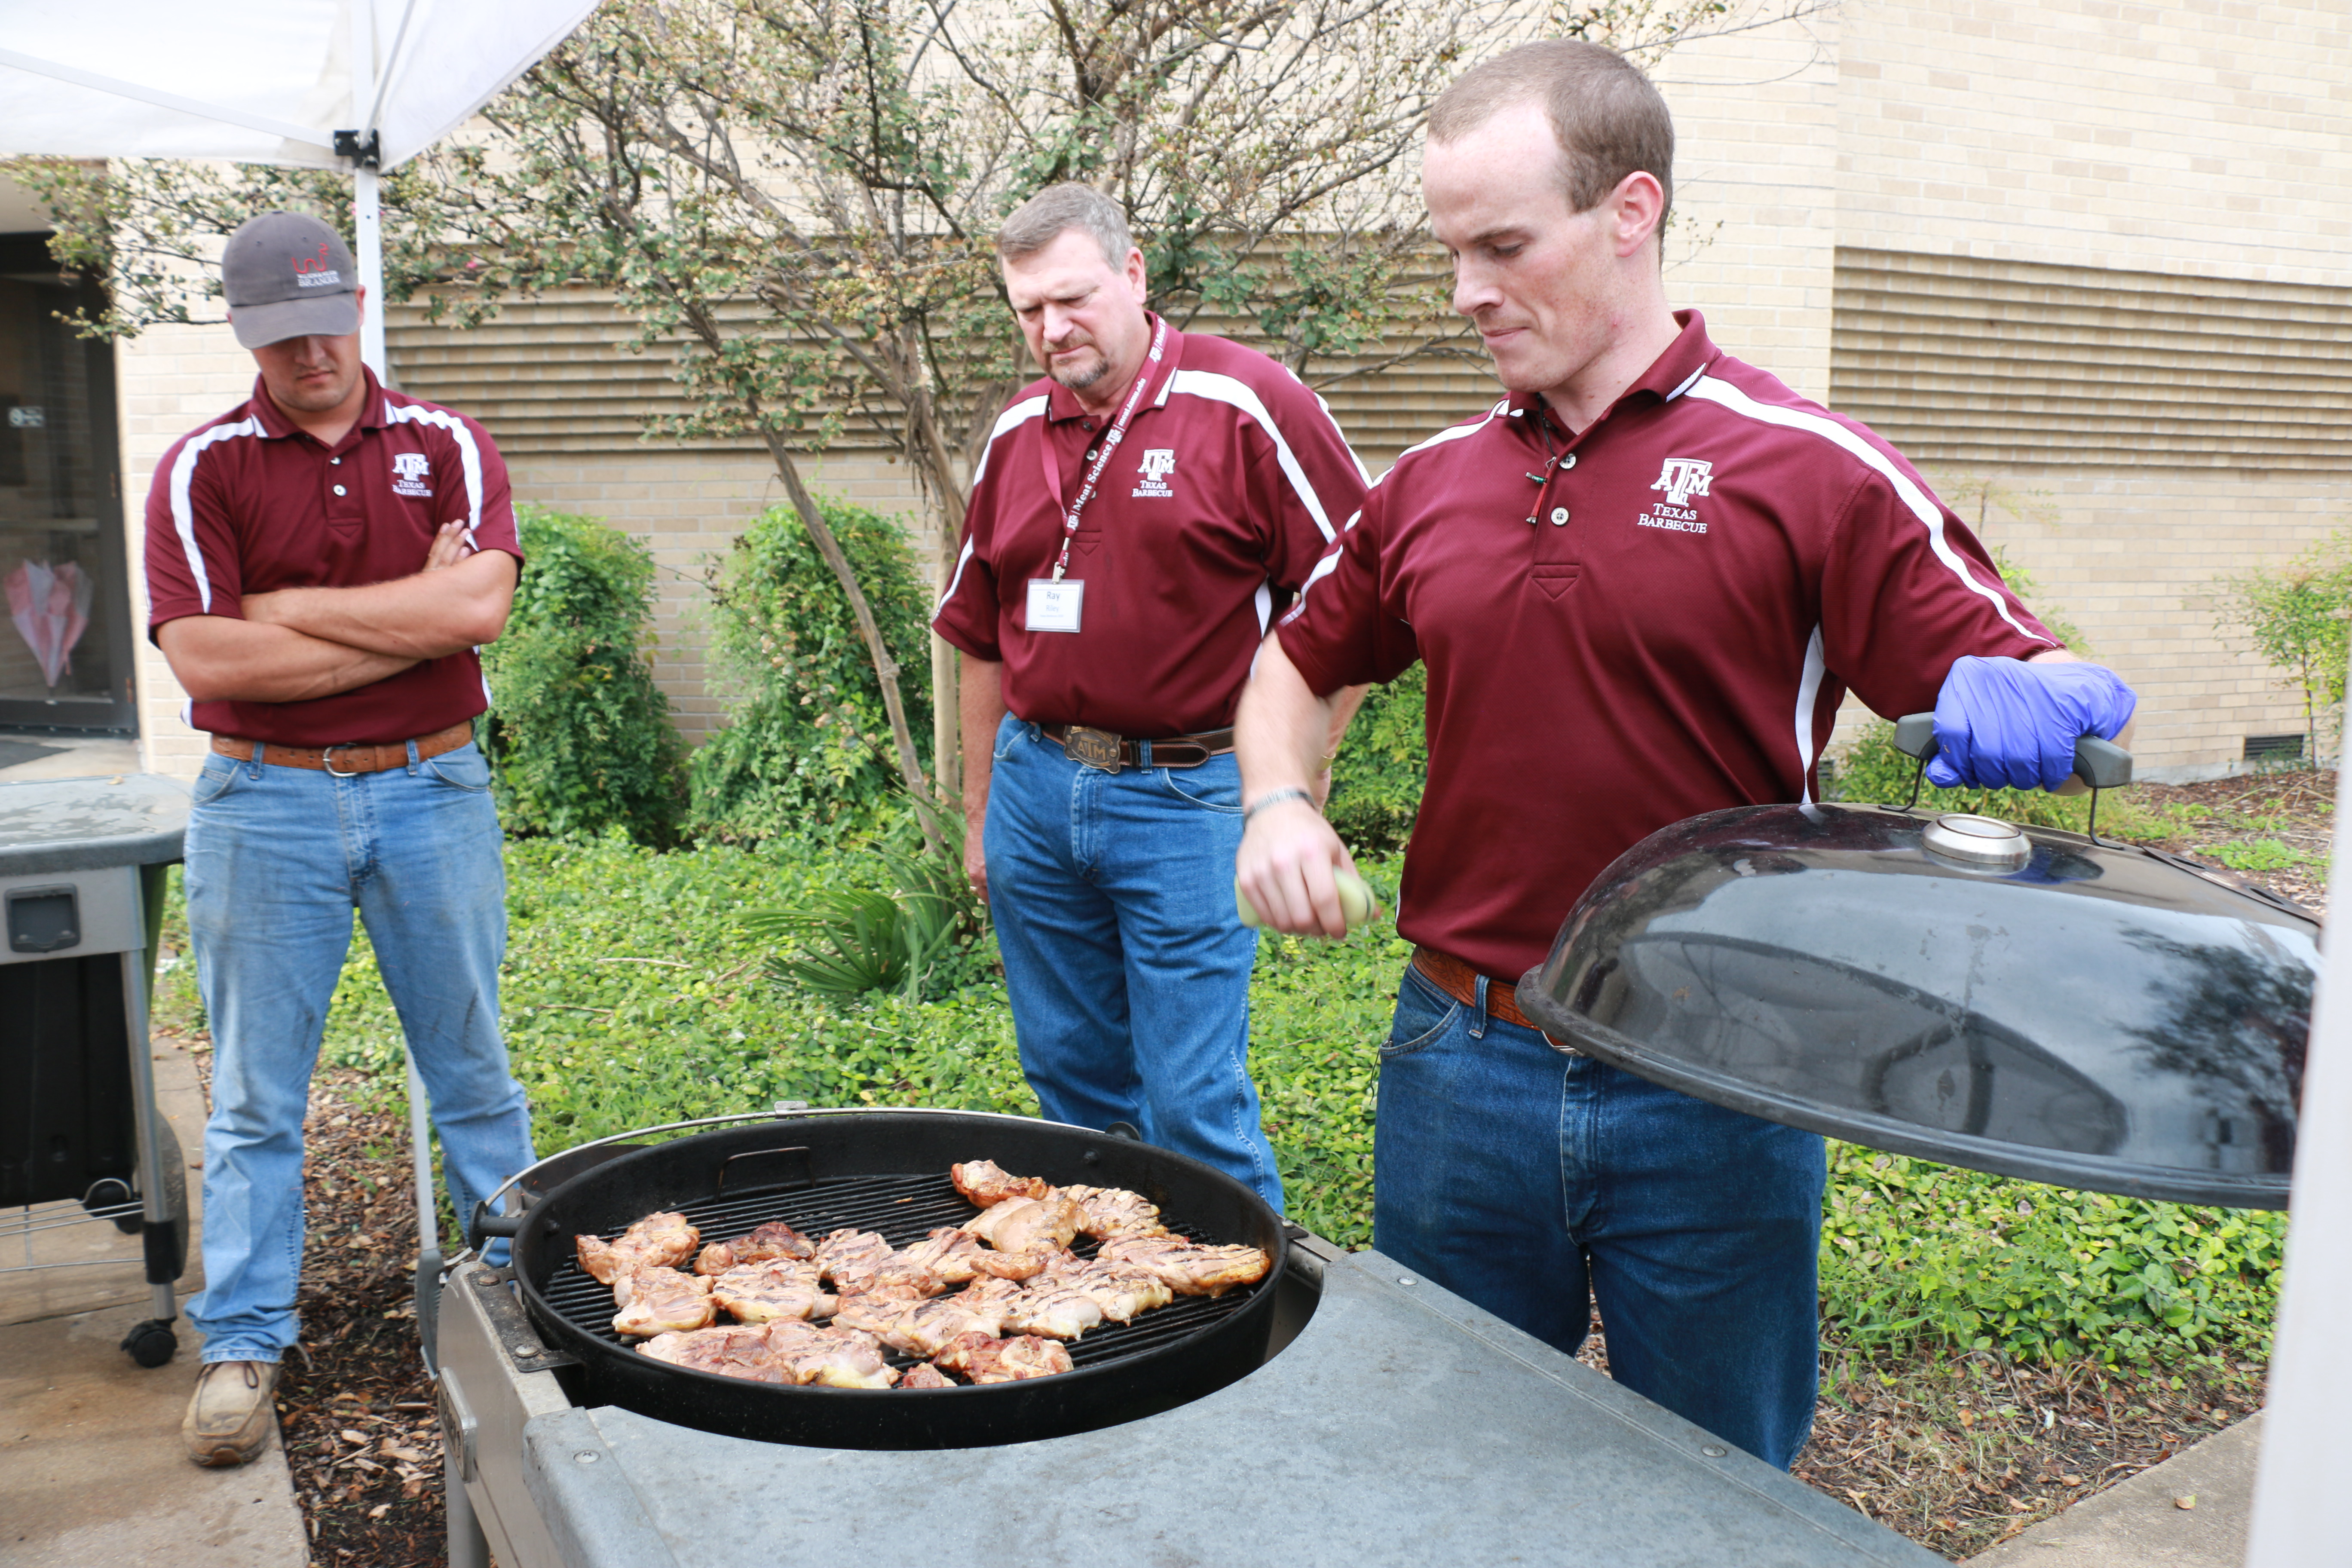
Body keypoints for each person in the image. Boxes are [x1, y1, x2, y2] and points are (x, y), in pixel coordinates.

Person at [1232, 42, 2135, 1468]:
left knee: (1716, 1486)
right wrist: (1278, 797)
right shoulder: (1432, 482)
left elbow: (2020, 669)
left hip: (1717, 1070)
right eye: (1450, 249)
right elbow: (1297, 662)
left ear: (1630, 211)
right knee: (1444, 1460)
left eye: (1503, 246)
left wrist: (2042, 686)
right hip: (1462, 1059)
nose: (1465, 290)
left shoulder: (1810, 468)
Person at [146, 211, 537, 1467]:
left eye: (323, 322)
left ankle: (521, 1294)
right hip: (261, 800)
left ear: (357, 304)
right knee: (259, 1093)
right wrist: (407, 620)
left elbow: (481, 605)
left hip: (433, 788)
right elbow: (205, 653)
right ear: (243, 330)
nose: (307, 352)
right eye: (278, 333)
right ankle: (246, 1340)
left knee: (472, 1063)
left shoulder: (447, 444)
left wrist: (295, 615)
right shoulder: (200, 468)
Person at [932, 183, 1372, 1208]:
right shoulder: (1016, 432)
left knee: (1190, 1105)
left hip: (1189, 795)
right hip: (1038, 789)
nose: (1052, 329)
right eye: (1029, 310)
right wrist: (981, 814)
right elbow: (978, 636)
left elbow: (1360, 601)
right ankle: (1105, 1301)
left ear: (1134, 277)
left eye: (1074, 299)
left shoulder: (1247, 405)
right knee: (1070, 1088)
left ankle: (1242, 1332)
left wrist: (1290, 786)